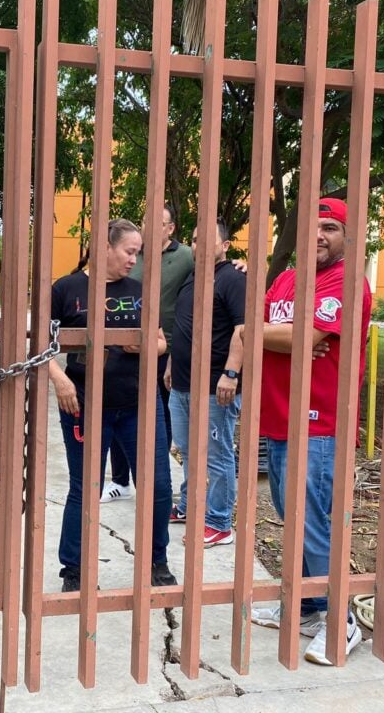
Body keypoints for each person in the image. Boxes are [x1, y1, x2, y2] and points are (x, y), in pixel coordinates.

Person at [249, 197, 372, 665]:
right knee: (292, 517)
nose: (318, 235)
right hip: (279, 418)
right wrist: (272, 333)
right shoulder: (285, 280)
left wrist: (262, 333)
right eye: (311, 227)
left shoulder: (346, 281)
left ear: (345, 236)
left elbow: (309, 338)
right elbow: (273, 332)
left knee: (313, 523)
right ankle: (304, 606)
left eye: (330, 227)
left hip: (319, 421)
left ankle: (341, 622)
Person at [47, 218, 177, 592]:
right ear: (103, 246)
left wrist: (149, 347)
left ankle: (157, 559)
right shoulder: (67, 288)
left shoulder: (139, 290)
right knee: (84, 487)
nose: (133, 260)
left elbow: (161, 342)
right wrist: (60, 379)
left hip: (138, 403)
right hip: (86, 404)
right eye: (129, 251)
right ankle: (74, 569)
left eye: (137, 253)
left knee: (157, 485)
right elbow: (42, 342)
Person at [103, 205, 193, 504]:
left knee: (158, 414)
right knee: (117, 407)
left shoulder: (185, 257)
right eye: (146, 221)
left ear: (171, 228)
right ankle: (119, 480)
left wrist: (237, 265)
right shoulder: (131, 256)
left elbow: (212, 269)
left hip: (162, 345)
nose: (151, 227)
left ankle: (155, 480)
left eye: (160, 222)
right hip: (120, 345)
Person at [165, 221, 246, 547]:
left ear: (225, 245)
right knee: (187, 451)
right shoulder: (194, 277)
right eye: (195, 240)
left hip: (216, 386)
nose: (198, 246)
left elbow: (243, 329)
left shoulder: (233, 278)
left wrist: (231, 373)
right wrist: (171, 362)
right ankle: (189, 507)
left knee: (216, 454)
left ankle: (219, 523)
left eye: (207, 240)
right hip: (183, 383)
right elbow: (184, 327)